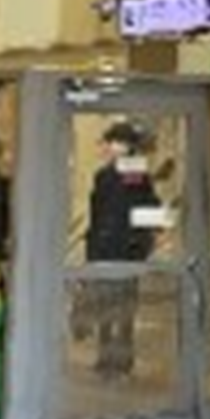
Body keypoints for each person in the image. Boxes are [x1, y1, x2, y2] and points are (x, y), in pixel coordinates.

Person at [84, 121, 158, 378]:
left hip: (127, 249)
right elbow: (97, 214)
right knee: (106, 304)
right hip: (106, 248)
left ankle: (123, 359)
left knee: (125, 307)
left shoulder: (136, 174)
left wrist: (144, 240)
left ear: (127, 146)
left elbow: (146, 206)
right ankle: (106, 357)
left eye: (115, 142)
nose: (111, 147)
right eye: (110, 142)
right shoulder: (103, 175)